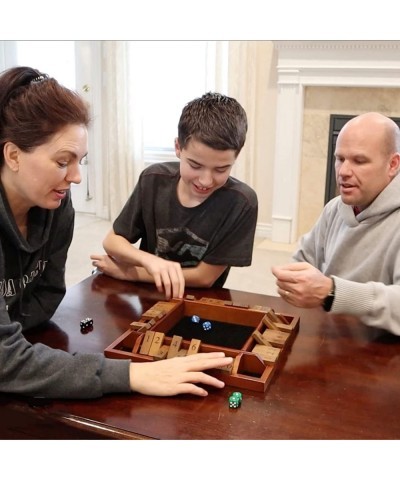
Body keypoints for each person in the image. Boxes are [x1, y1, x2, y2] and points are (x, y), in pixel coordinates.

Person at [0, 66, 232, 400]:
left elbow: (49, 293)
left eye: (81, 160)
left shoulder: (57, 208)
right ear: (13, 155)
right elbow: (6, 361)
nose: (77, 177)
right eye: (63, 161)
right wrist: (132, 374)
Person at [90, 92, 258, 300]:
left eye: (221, 169)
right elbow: (112, 241)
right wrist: (151, 261)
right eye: (195, 165)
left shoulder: (242, 203)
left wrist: (130, 273)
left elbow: (205, 278)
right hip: (149, 297)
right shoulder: (153, 179)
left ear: (236, 156)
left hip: (201, 302)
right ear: (178, 147)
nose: (206, 180)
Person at [271, 112, 400, 335]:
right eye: (340, 159)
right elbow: (304, 259)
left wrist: (332, 292)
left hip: (383, 354)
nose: (343, 172)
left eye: (359, 161)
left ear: (393, 164)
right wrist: (294, 280)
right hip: (330, 337)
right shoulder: (335, 208)